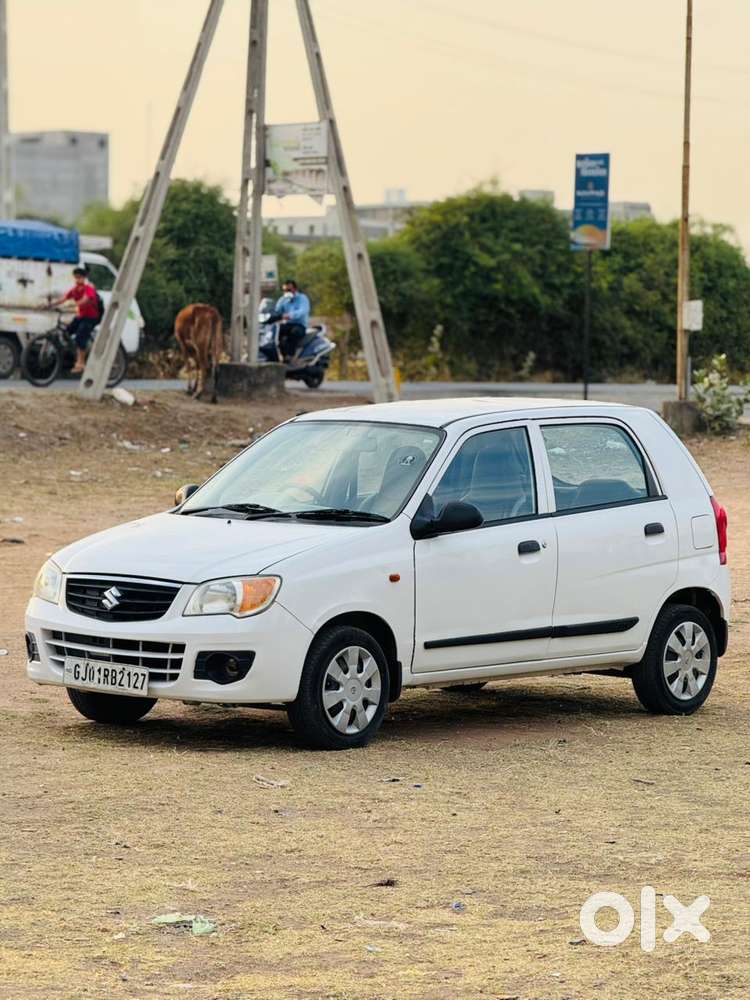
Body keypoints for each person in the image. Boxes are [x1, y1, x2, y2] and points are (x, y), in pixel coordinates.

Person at [49, 267, 101, 373]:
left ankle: (81, 363)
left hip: (91, 317)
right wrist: (50, 305)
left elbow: (85, 300)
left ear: (84, 278)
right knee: (67, 331)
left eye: (80, 278)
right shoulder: (75, 290)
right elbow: (63, 298)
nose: (78, 280)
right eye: (76, 278)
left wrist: (73, 305)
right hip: (81, 316)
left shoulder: (88, 288)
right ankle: (75, 351)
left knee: (80, 337)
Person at [273, 279, 310, 360]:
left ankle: (290, 356)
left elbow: (302, 311)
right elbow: (276, 310)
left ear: (295, 289)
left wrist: (290, 315)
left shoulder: (302, 298)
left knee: (294, 332)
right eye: (284, 290)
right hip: (287, 324)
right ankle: (277, 355)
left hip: (299, 325)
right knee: (275, 331)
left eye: (289, 290)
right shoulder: (283, 299)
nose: (286, 292)